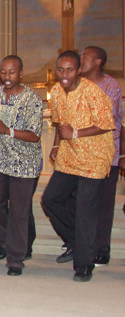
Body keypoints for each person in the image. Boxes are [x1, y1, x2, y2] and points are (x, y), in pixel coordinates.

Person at [41, 50, 114, 282]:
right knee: (51, 199)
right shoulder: (55, 92)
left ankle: (84, 265)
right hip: (69, 157)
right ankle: (77, 241)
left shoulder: (94, 93)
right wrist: (55, 145)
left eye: (70, 69)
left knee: (85, 211)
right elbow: (60, 123)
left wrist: (76, 133)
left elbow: (106, 124)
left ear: (79, 69)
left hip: (94, 158)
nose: (65, 74)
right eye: (61, 69)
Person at [0, 55, 43, 276]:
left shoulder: (32, 100)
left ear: (21, 74)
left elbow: (35, 136)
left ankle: (15, 258)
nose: (7, 76)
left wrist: (8, 131)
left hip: (26, 162)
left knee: (18, 210)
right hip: (1, 158)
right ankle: (9, 241)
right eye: (3, 72)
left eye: (12, 72)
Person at [80, 46, 123, 266]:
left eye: (86, 57)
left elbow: (110, 120)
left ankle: (101, 249)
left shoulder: (111, 86)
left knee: (104, 204)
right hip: (80, 155)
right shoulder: (77, 85)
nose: (82, 59)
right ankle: (79, 242)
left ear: (98, 62)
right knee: (78, 201)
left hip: (106, 154)